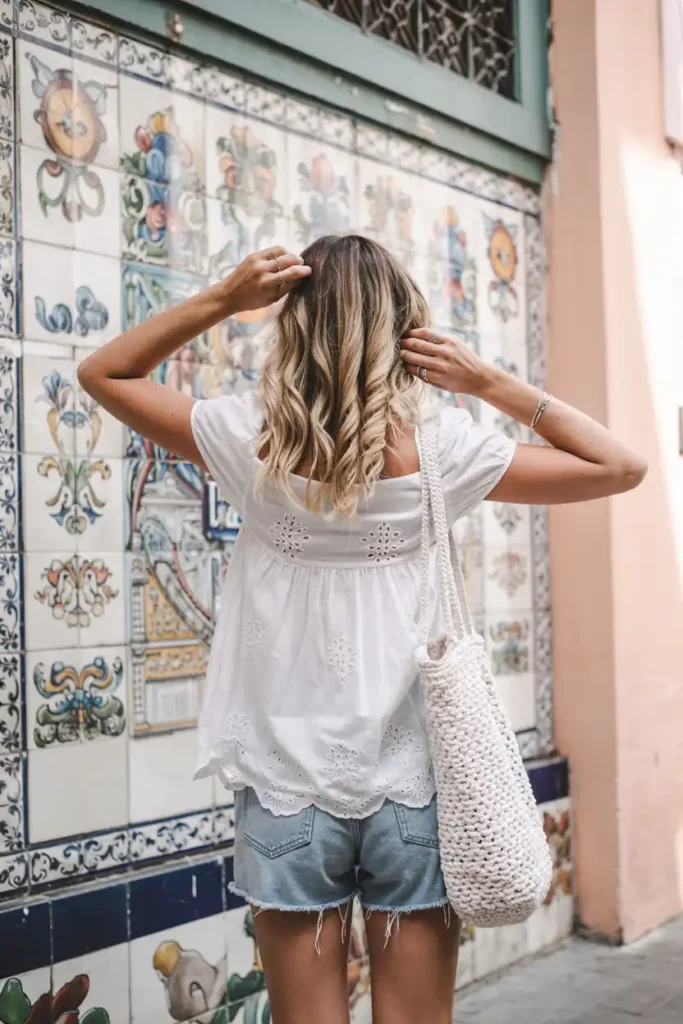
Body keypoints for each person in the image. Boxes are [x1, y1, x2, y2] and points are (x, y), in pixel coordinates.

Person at [78, 235, 646, 1024]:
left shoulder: (248, 440)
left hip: (285, 789)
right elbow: (618, 465)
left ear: (292, 325)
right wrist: (489, 381)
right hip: (412, 782)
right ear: (404, 331)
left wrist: (222, 299)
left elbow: (101, 372)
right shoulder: (443, 451)